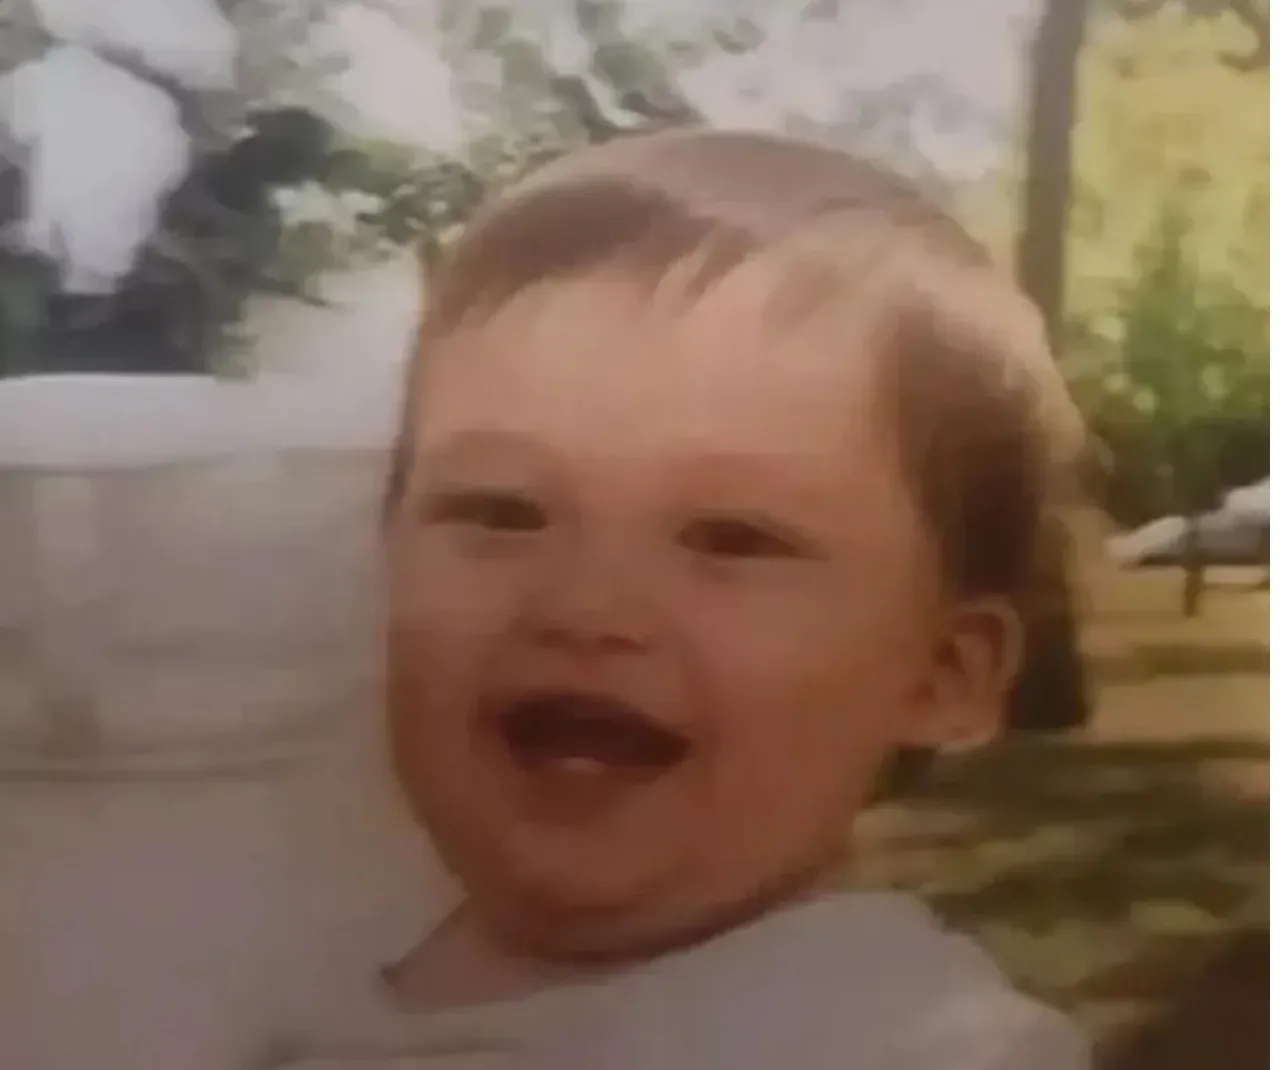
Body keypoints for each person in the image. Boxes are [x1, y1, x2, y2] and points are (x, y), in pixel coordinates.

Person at [275, 128, 1092, 1068]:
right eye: (501, 511)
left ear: (941, 672)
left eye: (732, 538)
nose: (583, 605)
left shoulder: (907, 1044)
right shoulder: (284, 949)